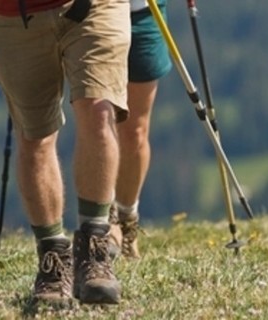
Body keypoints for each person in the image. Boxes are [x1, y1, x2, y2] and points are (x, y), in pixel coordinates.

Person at [0, 0, 131, 305]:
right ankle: (52, 260)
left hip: (94, 6)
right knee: (36, 137)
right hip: (14, 17)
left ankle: (95, 251)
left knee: (99, 111)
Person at [109, 0, 172, 259]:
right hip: (94, 16)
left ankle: (127, 220)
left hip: (144, 12)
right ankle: (106, 222)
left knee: (135, 131)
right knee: (100, 121)